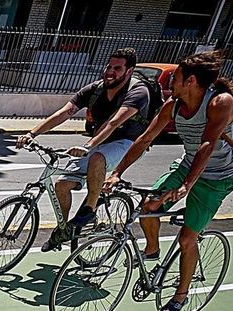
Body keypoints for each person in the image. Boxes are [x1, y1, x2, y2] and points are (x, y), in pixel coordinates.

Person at [105, 51, 233, 311]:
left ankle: (180, 295)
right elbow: (144, 140)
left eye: (175, 79)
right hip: (187, 165)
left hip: (216, 177)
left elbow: (207, 144)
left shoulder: (220, 103)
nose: (169, 85)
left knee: (188, 239)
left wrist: (187, 186)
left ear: (190, 80)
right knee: (148, 206)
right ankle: (153, 249)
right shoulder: (173, 105)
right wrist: (117, 172)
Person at [15, 48, 152, 250]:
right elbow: (66, 111)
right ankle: (65, 229)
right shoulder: (96, 89)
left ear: (129, 71)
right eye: (109, 67)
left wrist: (87, 146)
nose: (110, 72)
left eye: (117, 68)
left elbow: (114, 123)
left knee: (97, 157)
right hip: (98, 142)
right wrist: (32, 133)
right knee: (61, 185)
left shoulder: (138, 92)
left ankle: (90, 209)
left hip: (127, 143)